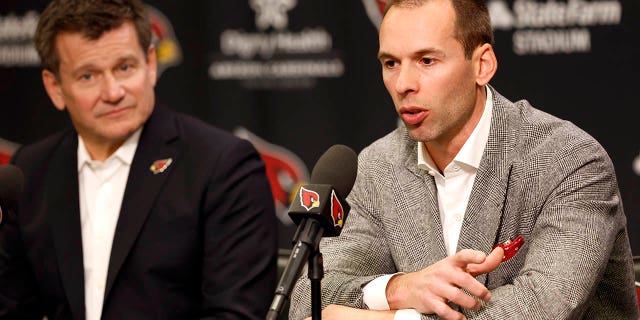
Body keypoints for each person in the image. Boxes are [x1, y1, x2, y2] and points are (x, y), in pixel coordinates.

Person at [289, 0, 638, 319]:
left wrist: (397, 317)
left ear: (482, 65)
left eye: (427, 60)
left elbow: (540, 308)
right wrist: (399, 289)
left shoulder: (568, 160)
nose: (403, 83)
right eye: (391, 63)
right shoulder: (378, 166)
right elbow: (309, 298)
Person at [0, 0, 277, 319]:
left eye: (124, 67)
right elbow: (11, 306)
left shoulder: (222, 165)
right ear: (55, 88)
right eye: (88, 76)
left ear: (150, 64)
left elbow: (234, 314)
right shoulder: (31, 169)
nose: (113, 91)